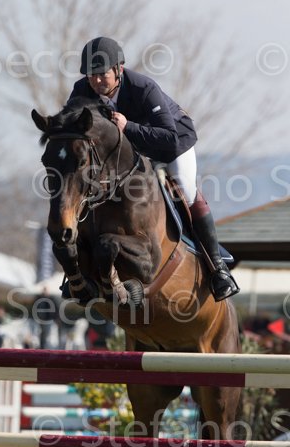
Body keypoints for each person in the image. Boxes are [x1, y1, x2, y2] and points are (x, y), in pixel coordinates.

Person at [68, 36, 239, 302]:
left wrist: (128, 127)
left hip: (171, 145)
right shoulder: (82, 90)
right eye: (91, 74)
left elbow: (169, 137)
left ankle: (218, 270)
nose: (97, 80)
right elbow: (70, 126)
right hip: (128, 153)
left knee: (185, 190)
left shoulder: (143, 87)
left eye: (102, 74)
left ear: (118, 69)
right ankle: (78, 272)